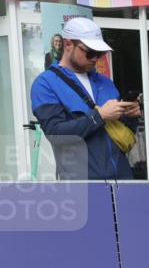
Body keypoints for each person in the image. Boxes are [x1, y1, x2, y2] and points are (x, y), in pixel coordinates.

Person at [31, 17, 140, 180]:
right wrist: (100, 116)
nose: (95, 58)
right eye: (90, 52)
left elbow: (123, 131)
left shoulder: (105, 82)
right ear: (68, 45)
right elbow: (56, 134)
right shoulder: (45, 83)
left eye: (99, 53)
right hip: (83, 185)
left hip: (122, 180)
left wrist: (131, 116)